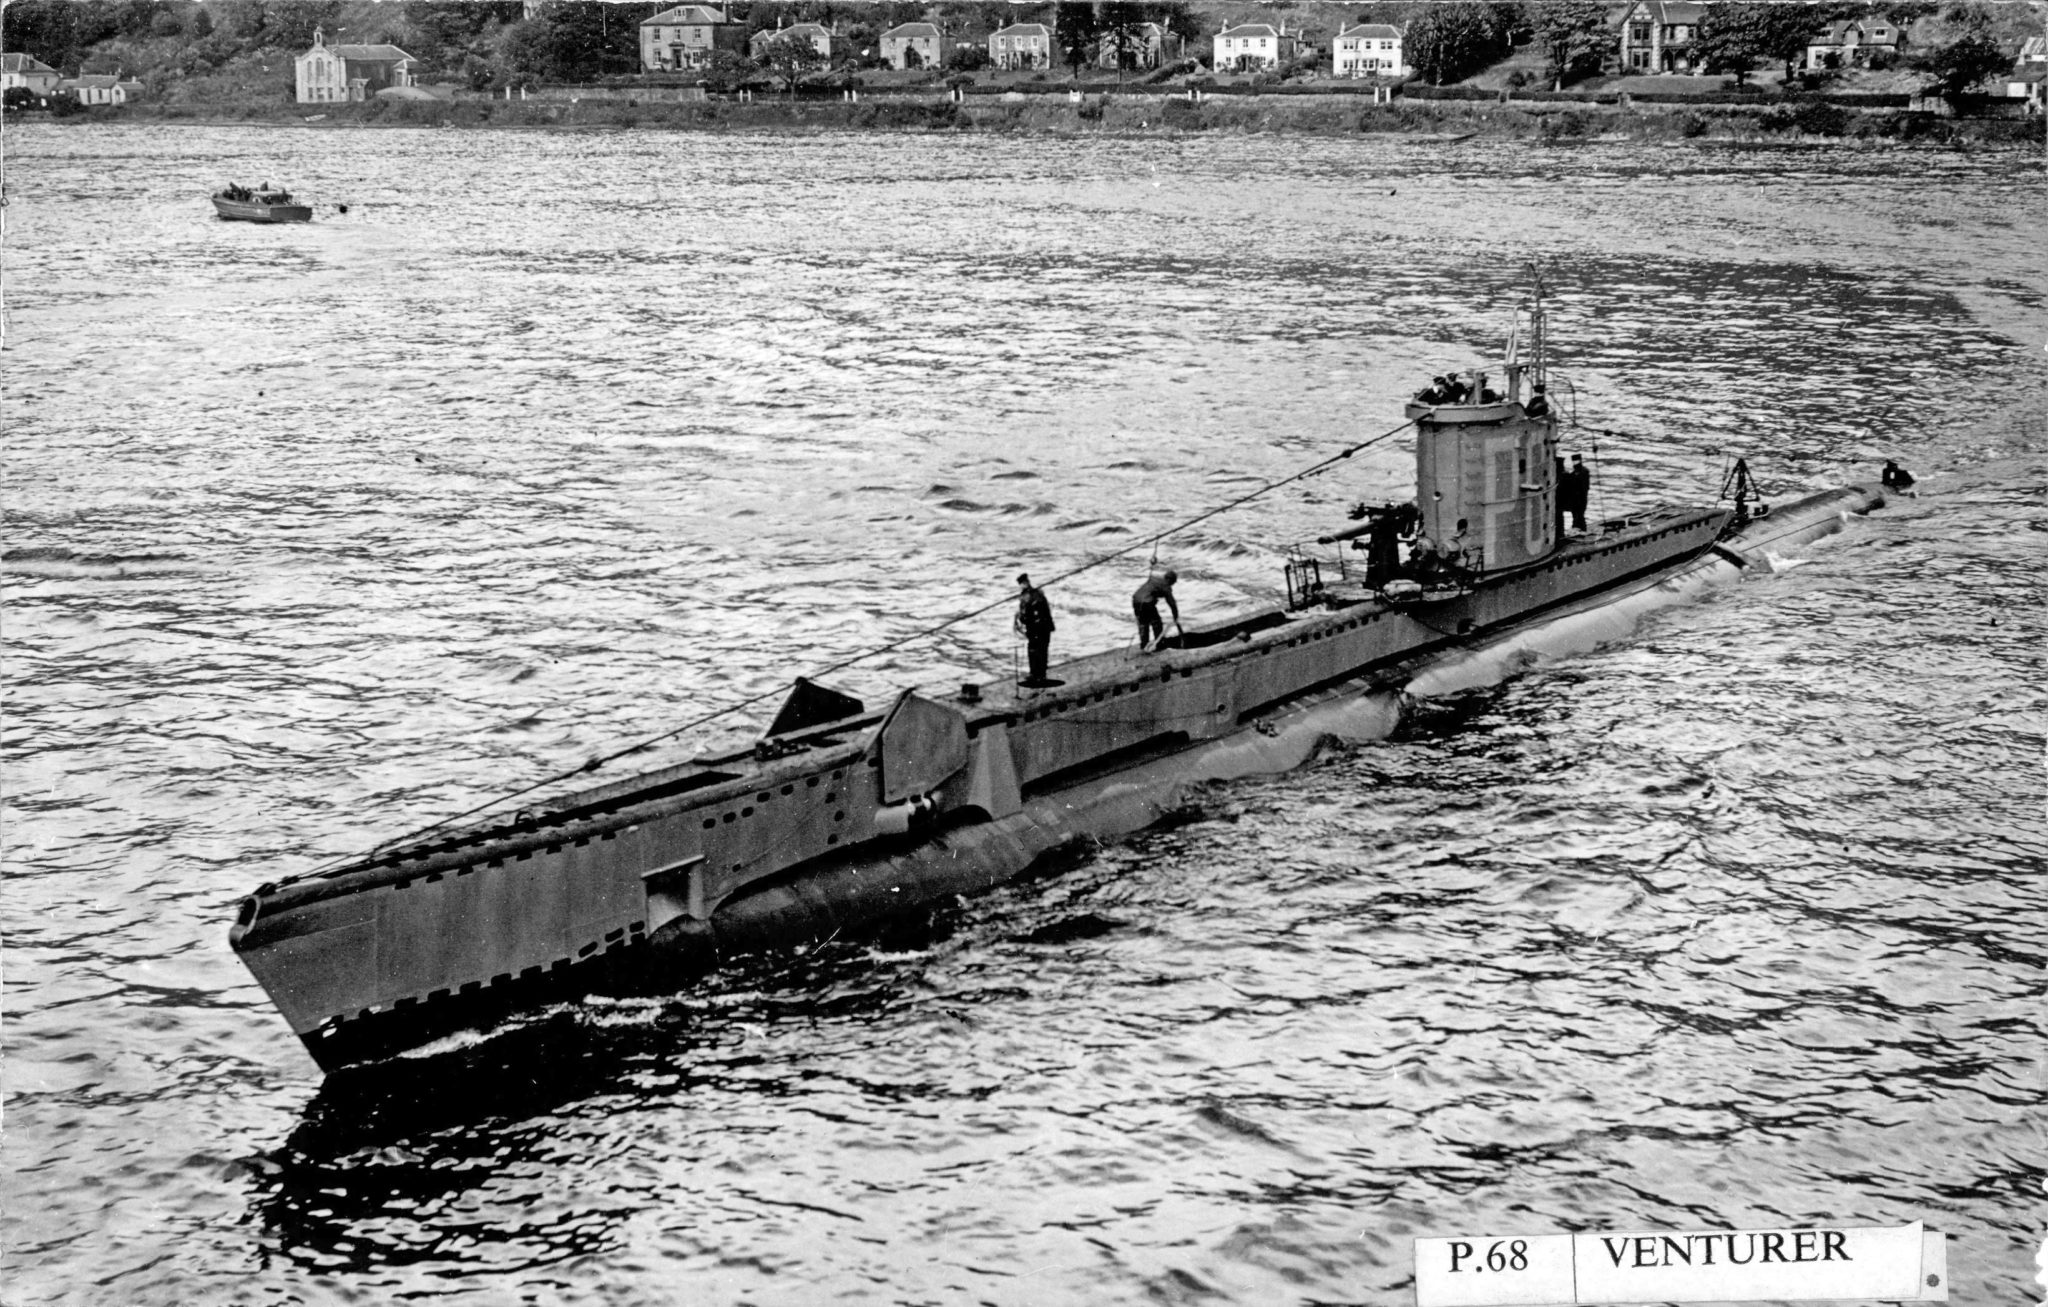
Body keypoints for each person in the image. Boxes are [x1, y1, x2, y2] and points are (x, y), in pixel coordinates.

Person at [1014, 573, 1056, 687]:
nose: (1021, 586)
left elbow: (1028, 615)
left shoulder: (1030, 596)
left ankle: (1037, 675)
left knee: (1037, 651)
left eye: (1022, 584)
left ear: (1025, 583)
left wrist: (1021, 619)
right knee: (1039, 651)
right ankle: (1038, 674)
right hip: (1042, 628)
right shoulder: (1037, 593)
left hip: (1038, 628)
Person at [1131, 569, 1180, 652]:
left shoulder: (1154, 579)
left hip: (1136, 600)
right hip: (1147, 602)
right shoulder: (1166, 586)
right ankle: (1159, 644)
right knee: (1156, 622)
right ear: (1169, 580)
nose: (1172, 584)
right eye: (1173, 582)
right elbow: (1172, 603)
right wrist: (1175, 615)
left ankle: (1144, 644)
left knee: (1143, 623)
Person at [1560, 453, 1591, 532]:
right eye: (1574, 461)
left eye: (1576, 461)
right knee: (1577, 516)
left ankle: (1582, 530)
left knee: (1579, 516)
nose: (1575, 463)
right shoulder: (1576, 472)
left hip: (1581, 499)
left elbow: (1583, 486)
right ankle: (1579, 530)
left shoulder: (1583, 472)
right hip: (1576, 499)